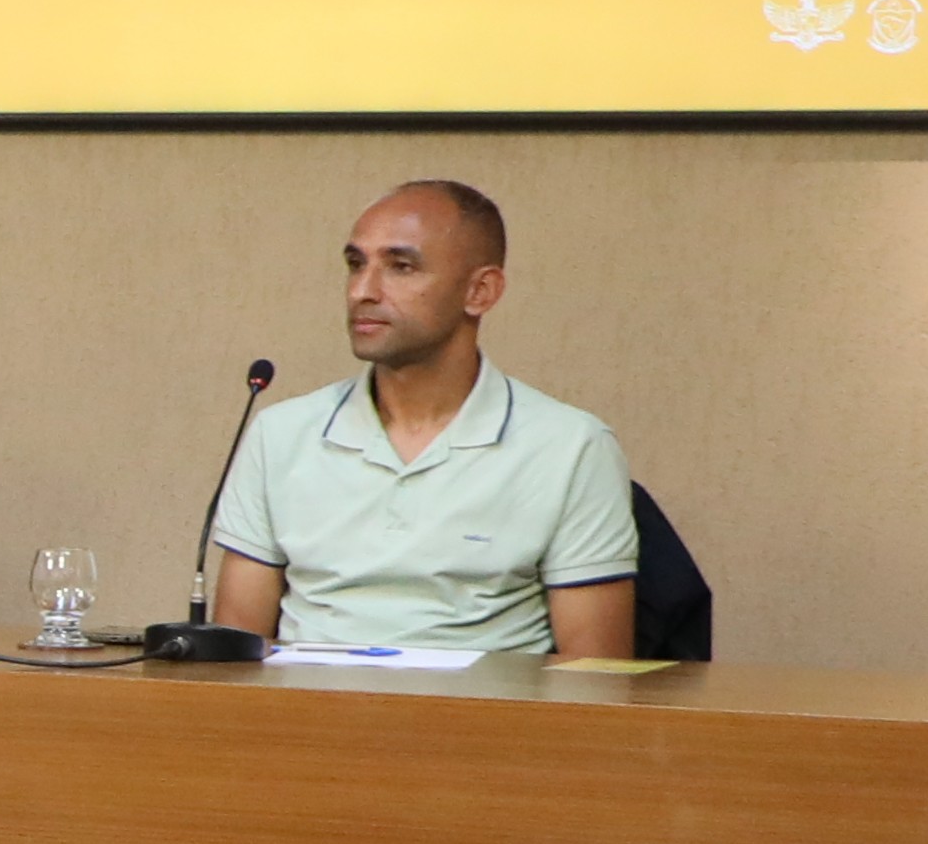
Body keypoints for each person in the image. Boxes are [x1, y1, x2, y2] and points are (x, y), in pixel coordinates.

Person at [204, 180, 638, 659]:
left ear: (480, 291)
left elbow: (595, 677)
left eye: (400, 267)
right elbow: (236, 660)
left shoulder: (571, 446)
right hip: (309, 720)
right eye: (355, 264)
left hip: (483, 724)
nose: (362, 291)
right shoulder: (280, 434)